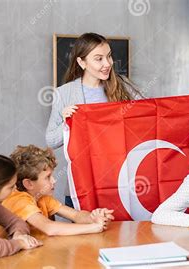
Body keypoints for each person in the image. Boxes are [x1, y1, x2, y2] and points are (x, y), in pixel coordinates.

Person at [45, 32, 143, 207]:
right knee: (85, 233)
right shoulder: (64, 93)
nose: (107, 64)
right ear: (82, 62)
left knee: (120, 233)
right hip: (82, 183)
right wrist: (67, 124)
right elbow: (51, 140)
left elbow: (146, 120)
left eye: (109, 56)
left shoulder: (124, 87)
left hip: (121, 181)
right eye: (99, 59)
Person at [1, 145, 114, 236]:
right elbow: (50, 228)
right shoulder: (18, 200)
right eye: (48, 177)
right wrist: (94, 227)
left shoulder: (41, 197)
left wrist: (94, 217)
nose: (54, 180)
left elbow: (76, 215)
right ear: (29, 184)